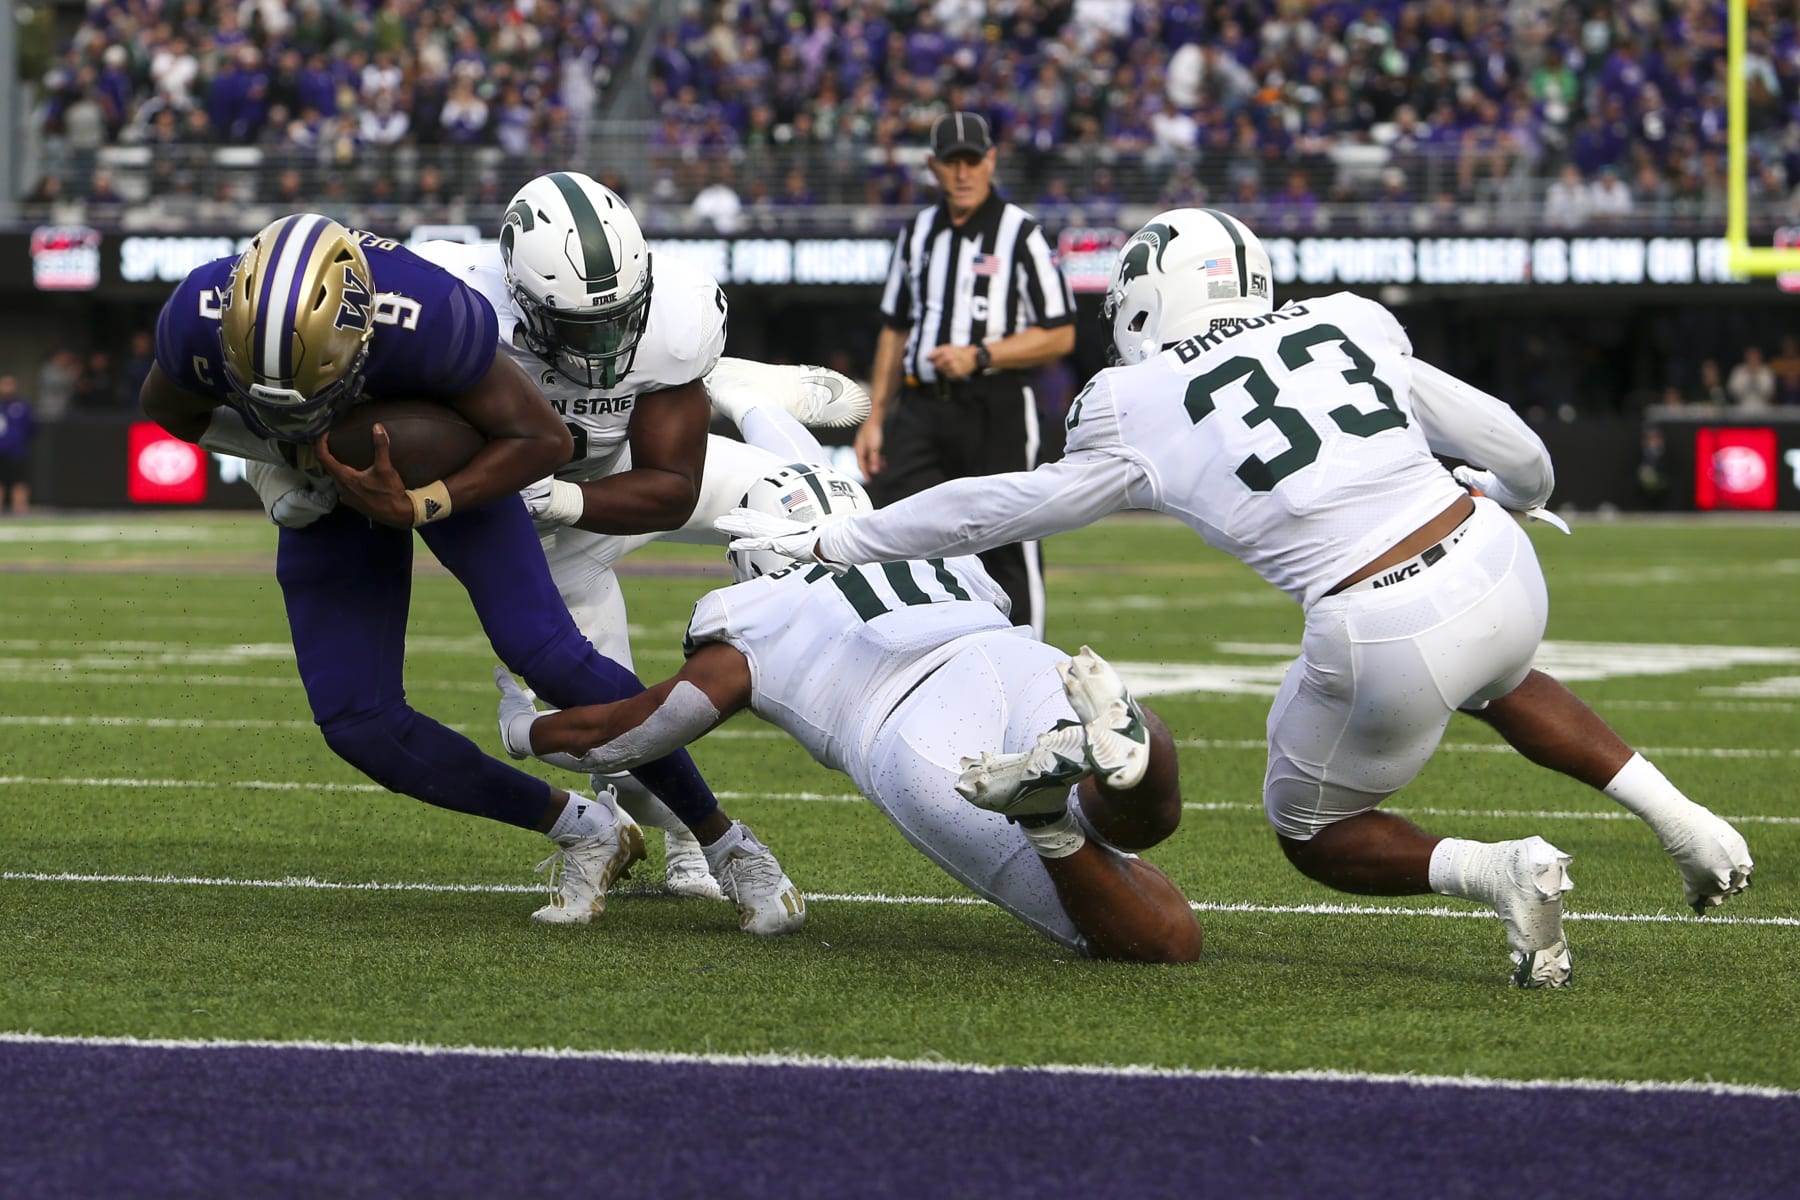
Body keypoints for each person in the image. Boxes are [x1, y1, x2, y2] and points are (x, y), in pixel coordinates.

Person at [725, 207, 1756, 988]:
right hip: (1495, 557)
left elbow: (993, 511)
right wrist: (1510, 503)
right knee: (1501, 671)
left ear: (1145, 298)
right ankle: (1683, 820)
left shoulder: (1135, 399)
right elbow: (1519, 452)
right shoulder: (1349, 320)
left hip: (1375, 618)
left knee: (1314, 831)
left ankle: (1500, 869)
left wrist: (839, 534)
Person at [139, 212, 803, 934]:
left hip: (443, 464)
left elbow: (542, 438)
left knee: (548, 654)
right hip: (322, 475)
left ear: (363, 332)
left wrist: (426, 500)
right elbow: (171, 411)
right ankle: (583, 829)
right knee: (357, 722)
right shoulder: (193, 317)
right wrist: (289, 458)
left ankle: (731, 846)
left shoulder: (428, 311)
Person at [497, 459, 1202, 960]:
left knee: (1166, 939)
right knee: (1134, 801)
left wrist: (528, 730)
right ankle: (1126, 740)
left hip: (915, 734)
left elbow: (630, 733)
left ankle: (1043, 819)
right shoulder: (940, 560)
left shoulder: (757, 609)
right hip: (1017, 662)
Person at [391, 171, 868, 900]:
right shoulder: (457, 302)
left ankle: (731, 393)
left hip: (617, 477)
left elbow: (672, 485)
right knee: (610, 743)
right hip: (550, 548)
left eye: (622, 317)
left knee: (812, 504)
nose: (609, 339)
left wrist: (568, 496)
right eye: (584, 325)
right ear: (522, 302)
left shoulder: (672, 319)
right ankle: (680, 837)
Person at [853, 111, 1077, 639]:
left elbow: (1060, 333)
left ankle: (1031, 668)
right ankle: (905, 654)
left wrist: (981, 354)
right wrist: (874, 417)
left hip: (995, 404)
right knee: (893, 528)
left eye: (971, 161)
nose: (962, 173)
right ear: (932, 167)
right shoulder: (918, 232)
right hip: (922, 406)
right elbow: (894, 328)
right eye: (950, 162)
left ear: (990, 161)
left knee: (1008, 537)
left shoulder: (1019, 233)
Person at [0, 376, 34, 514]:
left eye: (10, 384)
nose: (7, 387)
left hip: (17, 452)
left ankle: (20, 514)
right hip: (0, 451)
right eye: (4, 384)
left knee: (19, 483)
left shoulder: (23, 406)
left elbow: (32, 427)